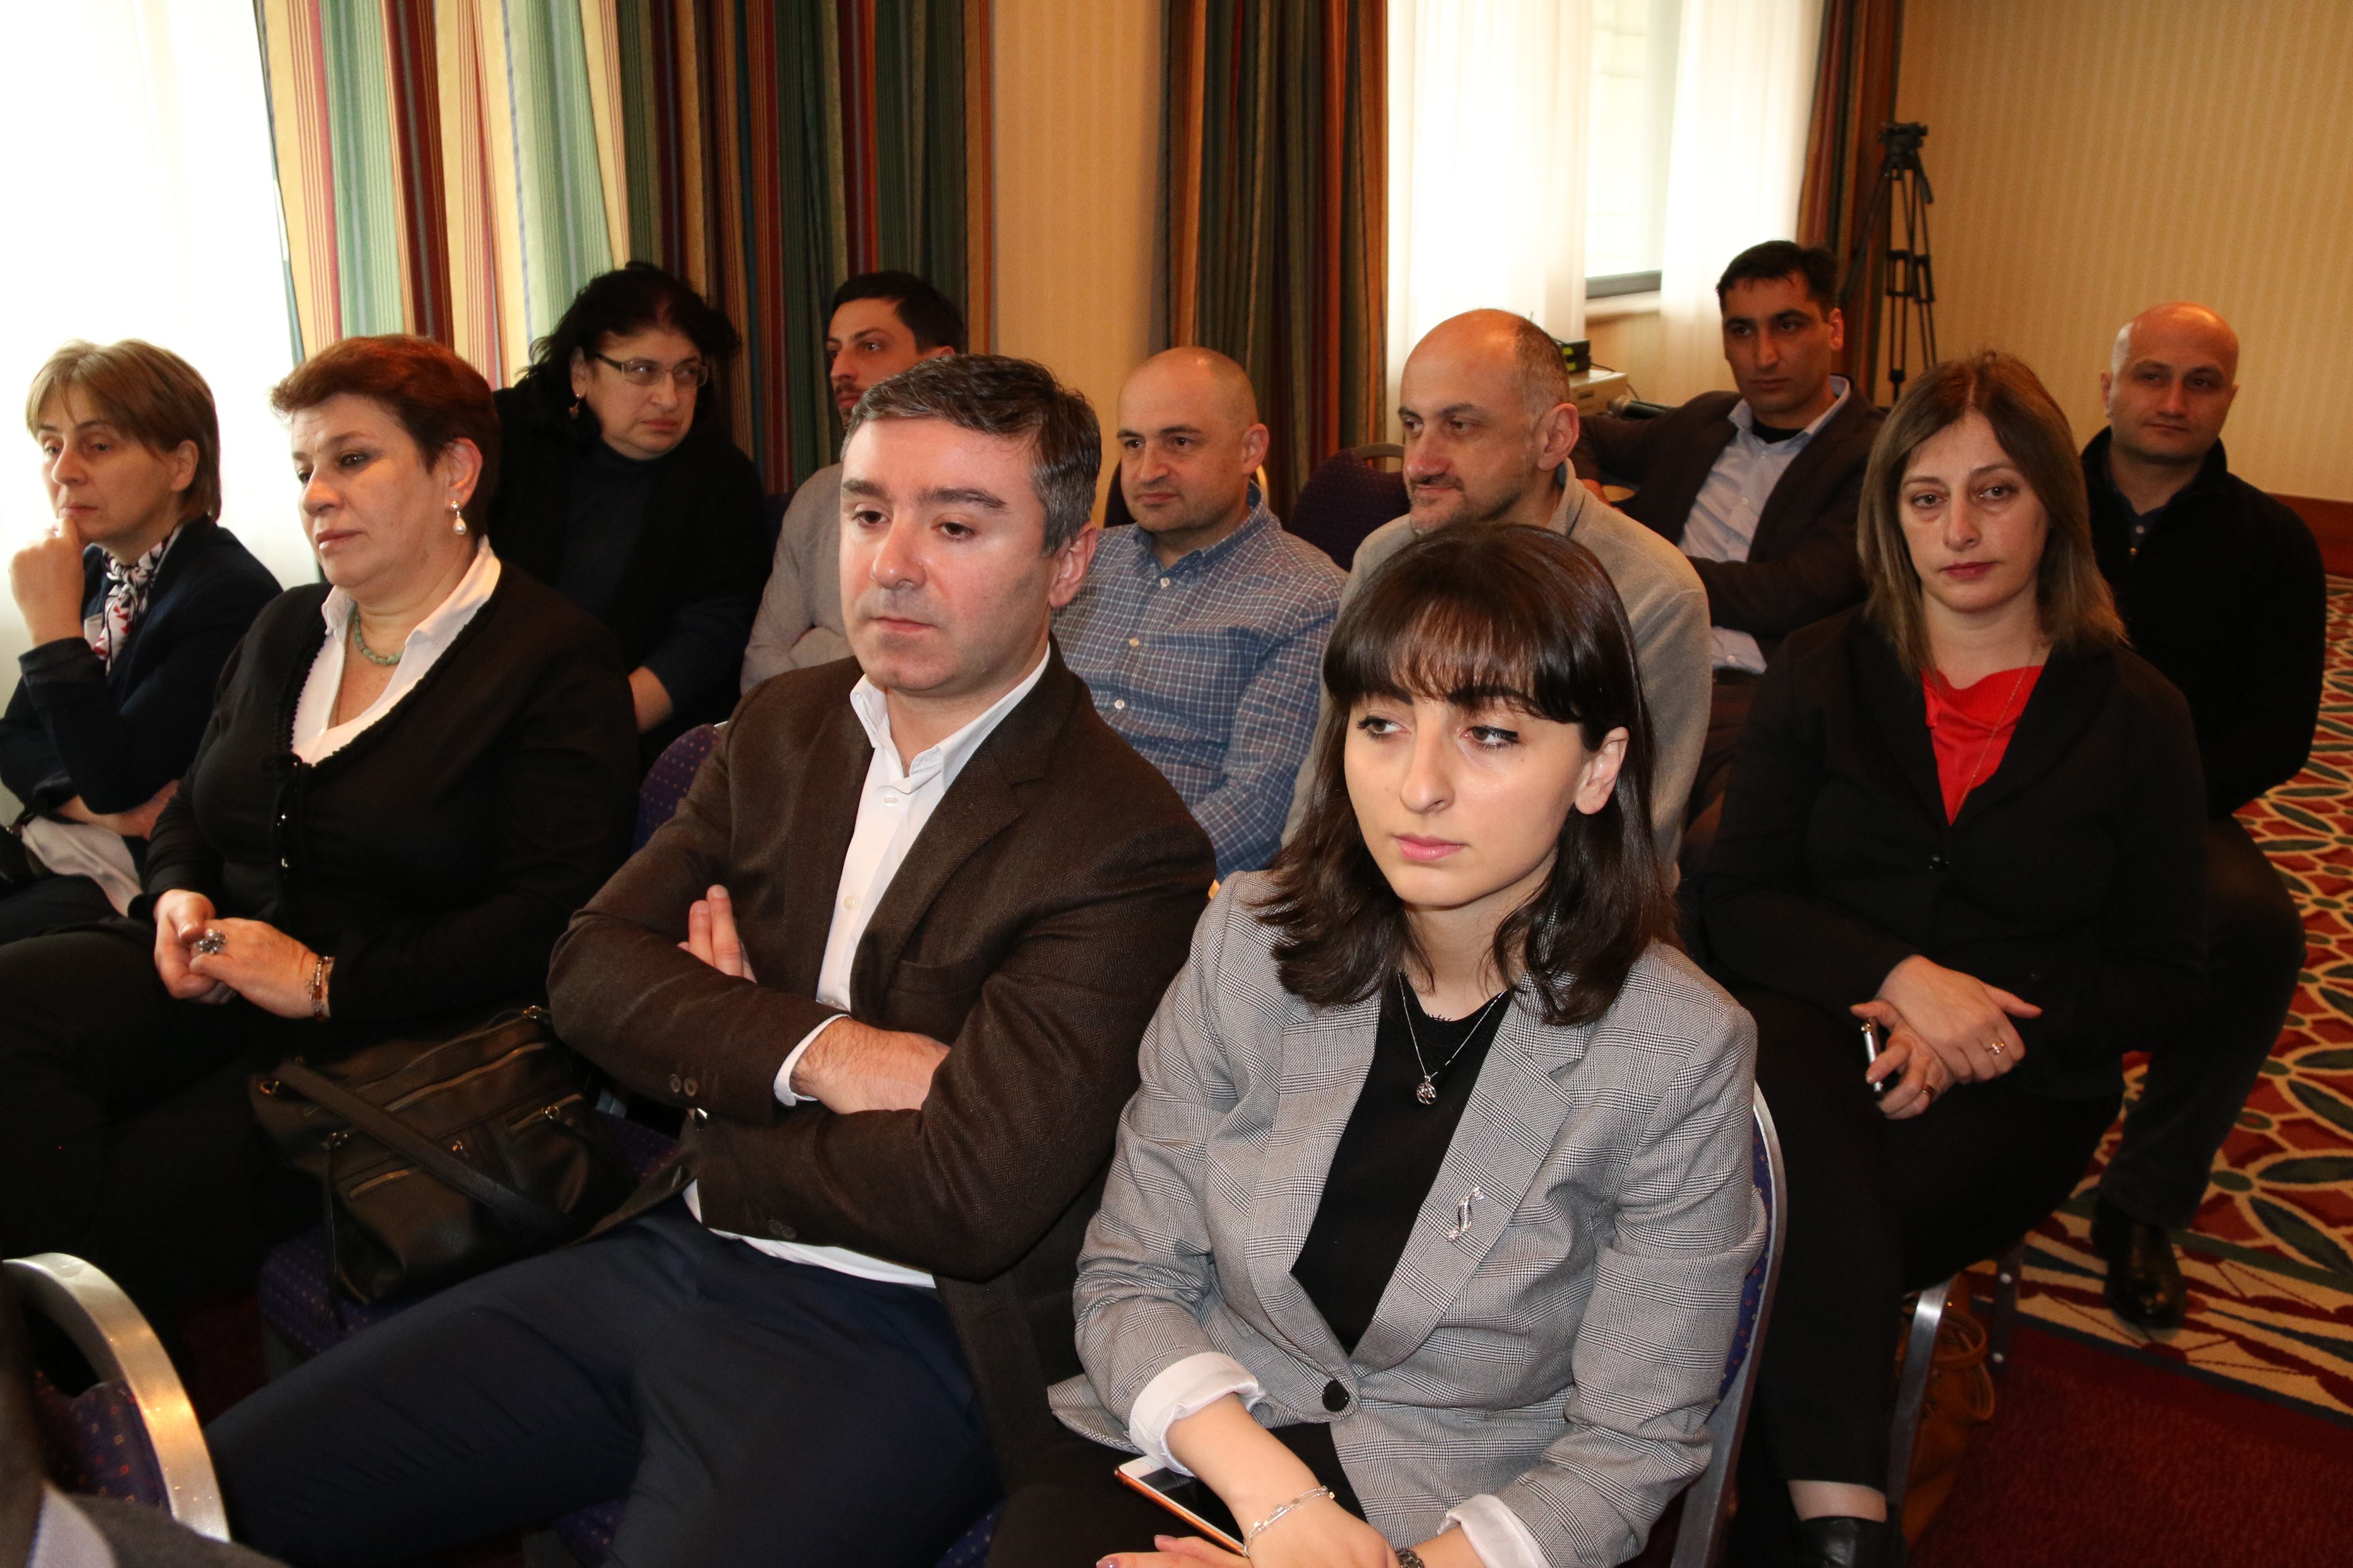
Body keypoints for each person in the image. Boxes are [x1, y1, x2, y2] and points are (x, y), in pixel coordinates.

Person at [206, 356, 1219, 1567]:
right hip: (669, 1251)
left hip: (904, 1331)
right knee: (215, 1493)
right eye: (867, 513)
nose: (893, 563)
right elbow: (586, 970)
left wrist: (717, 1077)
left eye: (956, 525)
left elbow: (969, 1195)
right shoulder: (782, 726)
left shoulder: (1125, 840)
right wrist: (822, 1052)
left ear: (1065, 562)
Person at [992, 524, 1761, 1568]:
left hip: (1455, 1512)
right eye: (1383, 724)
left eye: (1491, 734)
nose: (1420, 785)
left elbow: (1632, 1445)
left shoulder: (1676, 1050)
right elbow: (1131, 1276)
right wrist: (1279, 1505)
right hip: (1202, 1433)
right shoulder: (1248, 942)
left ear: (1597, 768)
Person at [0, 335, 639, 1329]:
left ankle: (76, 1359)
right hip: (225, 966)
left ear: (456, 471)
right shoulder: (289, 627)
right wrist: (177, 896)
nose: (314, 495)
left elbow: (549, 918)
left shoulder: (553, 658)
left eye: (352, 458)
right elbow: (193, 808)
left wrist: (322, 981)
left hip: (394, 1032)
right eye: (303, 468)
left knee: (121, 1191)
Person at [1703, 352, 2205, 1567]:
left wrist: (1977, 1026)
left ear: (2052, 507)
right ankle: (1836, 1519)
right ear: (1890, 516)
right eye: (1924, 498)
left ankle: (1815, 1511)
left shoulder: (2137, 712)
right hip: (1812, 1049)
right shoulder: (1820, 667)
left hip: (2013, 1090)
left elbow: (2165, 977)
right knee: (1783, 1101)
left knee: (1783, 1230)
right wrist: (1897, 979)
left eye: (1994, 493)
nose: (1959, 531)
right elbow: (1731, 901)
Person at [2080, 303, 2325, 1327]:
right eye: (2153, 376)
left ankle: (2143, 1202)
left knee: (2259, 934)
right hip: (2003, 791)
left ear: (2230, 398)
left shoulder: (2275, 542)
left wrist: (2157, 817)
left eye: (2201, 381)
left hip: (2180, 809)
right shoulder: (2032, 505)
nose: (2174, 401)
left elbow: (2280, 731)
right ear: (2110, 387)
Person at [1282, 310, 1710, 865]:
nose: (1419, 463)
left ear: (1553, 438)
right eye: (1412, 426)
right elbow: (1326, 778)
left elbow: (1631, 845)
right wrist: (1295, 892)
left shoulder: (1652, 595)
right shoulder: (1384, 557)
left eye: (1460, 426)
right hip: (1381, 885)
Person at [1572, 242, 1883, 863]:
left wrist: (1643, 563)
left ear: (1834, 328)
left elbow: (1793, 593)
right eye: (1742, 331)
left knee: (1722, 844)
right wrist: (1589, 492)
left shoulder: (1874, 457)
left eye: (1787, 326)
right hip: (1624, 665)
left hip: (1747, 695)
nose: (1763, 356)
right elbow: (1576, 432)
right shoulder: (1702, 422)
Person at [2, 342, 279, 944]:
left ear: (181, 466)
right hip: (72, 848)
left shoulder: (229, 594)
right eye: (51, 446)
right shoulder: (96, 569)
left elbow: (113, 776)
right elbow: (14, 742)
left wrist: (50, 627)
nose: (63, 471)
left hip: (151, 888)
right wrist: (107, 814)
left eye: (98, 446)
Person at [1058, 347, 1342, 877]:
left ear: (1250, 450)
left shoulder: (1309, 597)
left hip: (1155, 884)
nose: (1148, 471)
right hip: (1023, 847)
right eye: (1133, 444)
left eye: (1180, 442)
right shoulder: (1082, 562)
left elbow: (1255, 812)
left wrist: (1094, 879)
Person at [487, 261, 769, 749]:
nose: (669, 398)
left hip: (628, 734)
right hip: (487, 708)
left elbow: (712, 632)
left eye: (687, 373)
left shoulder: (721, 478)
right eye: (642, 371)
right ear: (581, 371)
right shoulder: (503, 436)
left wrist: (595, 727)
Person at [740, 269, 964, 689]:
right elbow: (759, 674)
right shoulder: (818, 495)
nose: (840, 370)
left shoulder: (974, 497)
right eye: (834, 352)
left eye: (870, 346)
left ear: (939, 365)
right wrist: (851, 658)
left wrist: (812, 648)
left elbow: (944, 673)